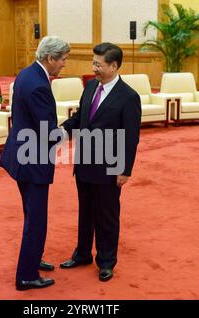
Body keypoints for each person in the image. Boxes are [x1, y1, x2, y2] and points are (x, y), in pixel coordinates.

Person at [60, 43, 141, 282]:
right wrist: (63, 131)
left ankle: (106, 261)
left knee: (106, 216)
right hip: (84, 164)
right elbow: (80, 117)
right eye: (93, 63)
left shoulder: (128, 97)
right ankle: (82, 254)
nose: (93, 68)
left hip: (109, 168)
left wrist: (124, 170)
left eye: (98, 64)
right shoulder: (90, 87)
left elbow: (131, 138)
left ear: (114, 66)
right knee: (85, 213)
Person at [0, 36, 70, 291]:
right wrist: (69, 129)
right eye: (62, 60)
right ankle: (27, 275)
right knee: (36, 219)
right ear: (50, 58)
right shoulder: (39, 85)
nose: (64, 65)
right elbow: (48, 133)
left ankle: (33, 257)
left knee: (31, 214)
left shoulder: (26, 74)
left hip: (21, 156)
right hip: (32, 160)